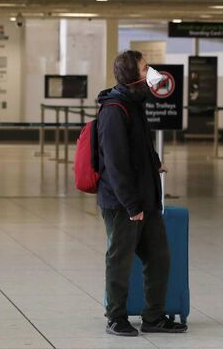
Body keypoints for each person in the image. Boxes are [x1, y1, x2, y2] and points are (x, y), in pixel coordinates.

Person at [96, 50, 188, 336]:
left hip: (145, 199)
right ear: (132, 75)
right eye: (145, 67)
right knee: (120, 260)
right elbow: (115, 164)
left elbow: (139, 145)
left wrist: (154, 162)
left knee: (159, 256)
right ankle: (115, 317)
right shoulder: (114, 110)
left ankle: (154, 316)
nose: (151, 71)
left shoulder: (134, 103)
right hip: (123, 203)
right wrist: (131, 205)